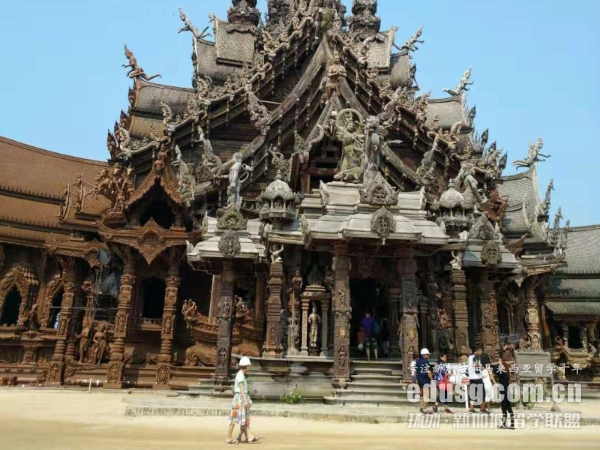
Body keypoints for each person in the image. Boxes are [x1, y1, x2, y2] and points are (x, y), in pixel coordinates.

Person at [226, 357, 257, 445]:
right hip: (239, 399)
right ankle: (230, 437)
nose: (249, 367)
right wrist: (245, 400)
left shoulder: (241, 374)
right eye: (249, 365)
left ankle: (247, 436)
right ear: (246, 366)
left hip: (240, 398)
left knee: (243, 418)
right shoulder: (240, 375)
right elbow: (241, 389)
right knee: (235, 418)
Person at [491, 355, 514, 429]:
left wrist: (498, 364)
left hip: (504, 393)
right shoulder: (506, 372)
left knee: (504, 409)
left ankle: (504, 424)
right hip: (508, 393)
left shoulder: (503, 372)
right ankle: (512, 424)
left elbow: (494, 371)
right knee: (509, 408)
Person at [467, 346, 487, 413]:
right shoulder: (476, 357)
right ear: (476, 351)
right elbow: (475, 364)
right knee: (482, 393)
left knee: (473, 393)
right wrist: (481, 367)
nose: (481, 352)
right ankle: (482, 408)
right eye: (480, 351)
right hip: (477, 378)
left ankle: (471, 408)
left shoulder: (469, 357)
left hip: (471, 378)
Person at [416, 348, 433, 414]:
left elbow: (416, 371)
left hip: (419, 379)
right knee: (426, 394)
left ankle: (422, 405)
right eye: (427, 355)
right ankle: (424, 408)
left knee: (422, 394)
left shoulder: (418, 362)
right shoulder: (426, 362)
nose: (428, 356)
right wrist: (432, 379)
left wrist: (416, 379)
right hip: (425, 379)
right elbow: (428, 372)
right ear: (424, 355)